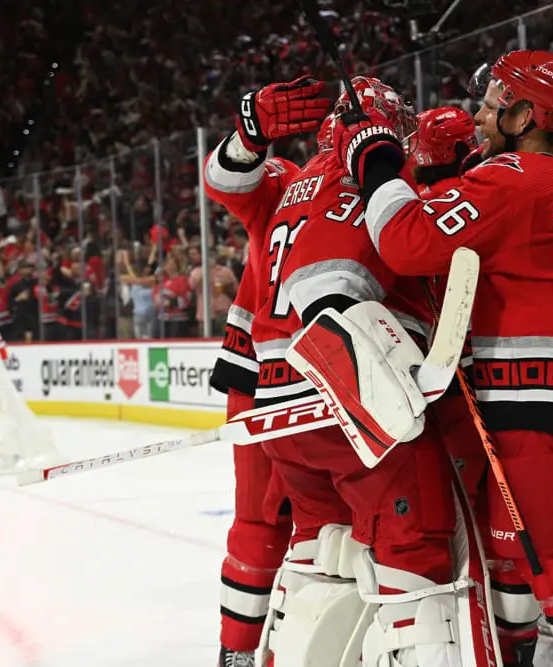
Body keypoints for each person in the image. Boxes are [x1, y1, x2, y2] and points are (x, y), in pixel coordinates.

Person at [332, 50, 553, 667]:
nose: (481, 112)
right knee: (513, 554)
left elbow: (405, 241)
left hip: (542, 400)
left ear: (527, 113)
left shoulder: (507, 184)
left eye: (496, 101)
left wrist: (375, 154)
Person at [259, 76, 500, 667]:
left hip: (285, 403)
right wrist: (377, 382)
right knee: (415, 558)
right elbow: (329, 286)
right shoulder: (354, 181)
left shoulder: (299, 183)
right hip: (352, 395)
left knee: (323, 553)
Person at [202, 76, 326, 667]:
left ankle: (248, 651)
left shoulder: (301, 183)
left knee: (274, 521)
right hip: (284, 374)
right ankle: (256, 650)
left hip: (274, 372)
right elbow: (227, 179)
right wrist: (250, 136)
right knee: (303, 521)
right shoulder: (370, 191)